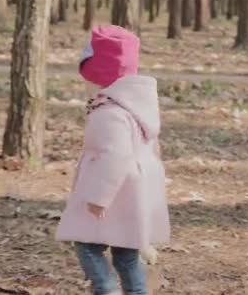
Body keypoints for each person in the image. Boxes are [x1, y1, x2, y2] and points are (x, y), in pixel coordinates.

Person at [56, 25, 170, 295]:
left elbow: (115, 156)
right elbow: (154, 148)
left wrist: (98, 196)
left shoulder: (110, 112)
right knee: (127, 256)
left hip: (114, 195)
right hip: (134, 195)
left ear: (99, 74)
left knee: (87, 245)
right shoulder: (138, 105)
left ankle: (106, 289)